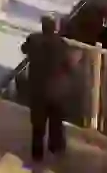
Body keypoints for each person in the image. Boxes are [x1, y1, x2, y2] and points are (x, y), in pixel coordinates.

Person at [21, 14, 71, 162]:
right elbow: (67, 65)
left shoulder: (33, 39)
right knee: (56, 121)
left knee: (38, 124)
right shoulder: (61, 44)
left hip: (37, 90)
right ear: (54, 28)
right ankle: (55, 147)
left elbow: (24, 49)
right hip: (56, 91)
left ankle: (37, 153)